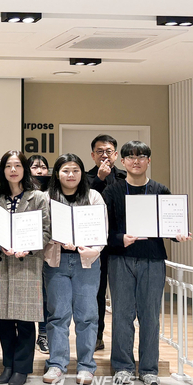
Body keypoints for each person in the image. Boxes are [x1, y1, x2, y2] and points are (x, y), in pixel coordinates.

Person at [103, 141, 192, 385]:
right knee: (122, 314)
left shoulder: (160, 190)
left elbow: (170, 225)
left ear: (149, 161)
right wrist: (120, 239)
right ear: (122, 161)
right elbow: (103, 230)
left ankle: (149, 368)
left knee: (150, 315)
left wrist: (178, 234)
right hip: (121, 258)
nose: (136, 161)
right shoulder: (112, 192)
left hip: (153, 259)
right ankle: (123, 367)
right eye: (130, 157)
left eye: (141, 156)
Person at [0, 150, 50, 385]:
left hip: (27, 264)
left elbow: (46, 231)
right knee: (3, 320)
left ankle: (22, 368)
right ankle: (8, 365)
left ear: (25, 169)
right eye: (8, 166)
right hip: (1, 264)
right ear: (2, 170)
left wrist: (29, 248)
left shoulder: (38, 197)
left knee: (24, 320)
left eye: (17, 166)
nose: (13, 170)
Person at [42, 154, 106, 385]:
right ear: (57, 173)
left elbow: (102, 229)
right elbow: (42, 229)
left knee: (87, 315)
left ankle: (86, 366)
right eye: (65, 170)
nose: (70, 175)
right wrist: (56, 240)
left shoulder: (93, 196)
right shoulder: (46, 197)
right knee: (58, 315)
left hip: (86, 262)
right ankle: (57, 364)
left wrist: (92, 250)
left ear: (82, 173)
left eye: (75, 170)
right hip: (56, 262)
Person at [86, 134, 126, 352]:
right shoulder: (85, 178)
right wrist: (99, 179)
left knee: (122, 293)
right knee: (96, 292)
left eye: (108, 151)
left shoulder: (125, 177)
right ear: (93, 155)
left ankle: (122, 342)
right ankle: (97, 336)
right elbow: (84, 203)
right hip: (95, 243)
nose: (104, 155)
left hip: (121, 242)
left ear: (116, 155)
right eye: (99, 151)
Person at [27, 153, 50, 355]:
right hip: (26, 252)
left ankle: (43, 334)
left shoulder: (54, 191)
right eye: (35, 167)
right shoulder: (23, 192)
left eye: (43, 167)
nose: (40, 171)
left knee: (46, 295)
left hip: (49, 250)